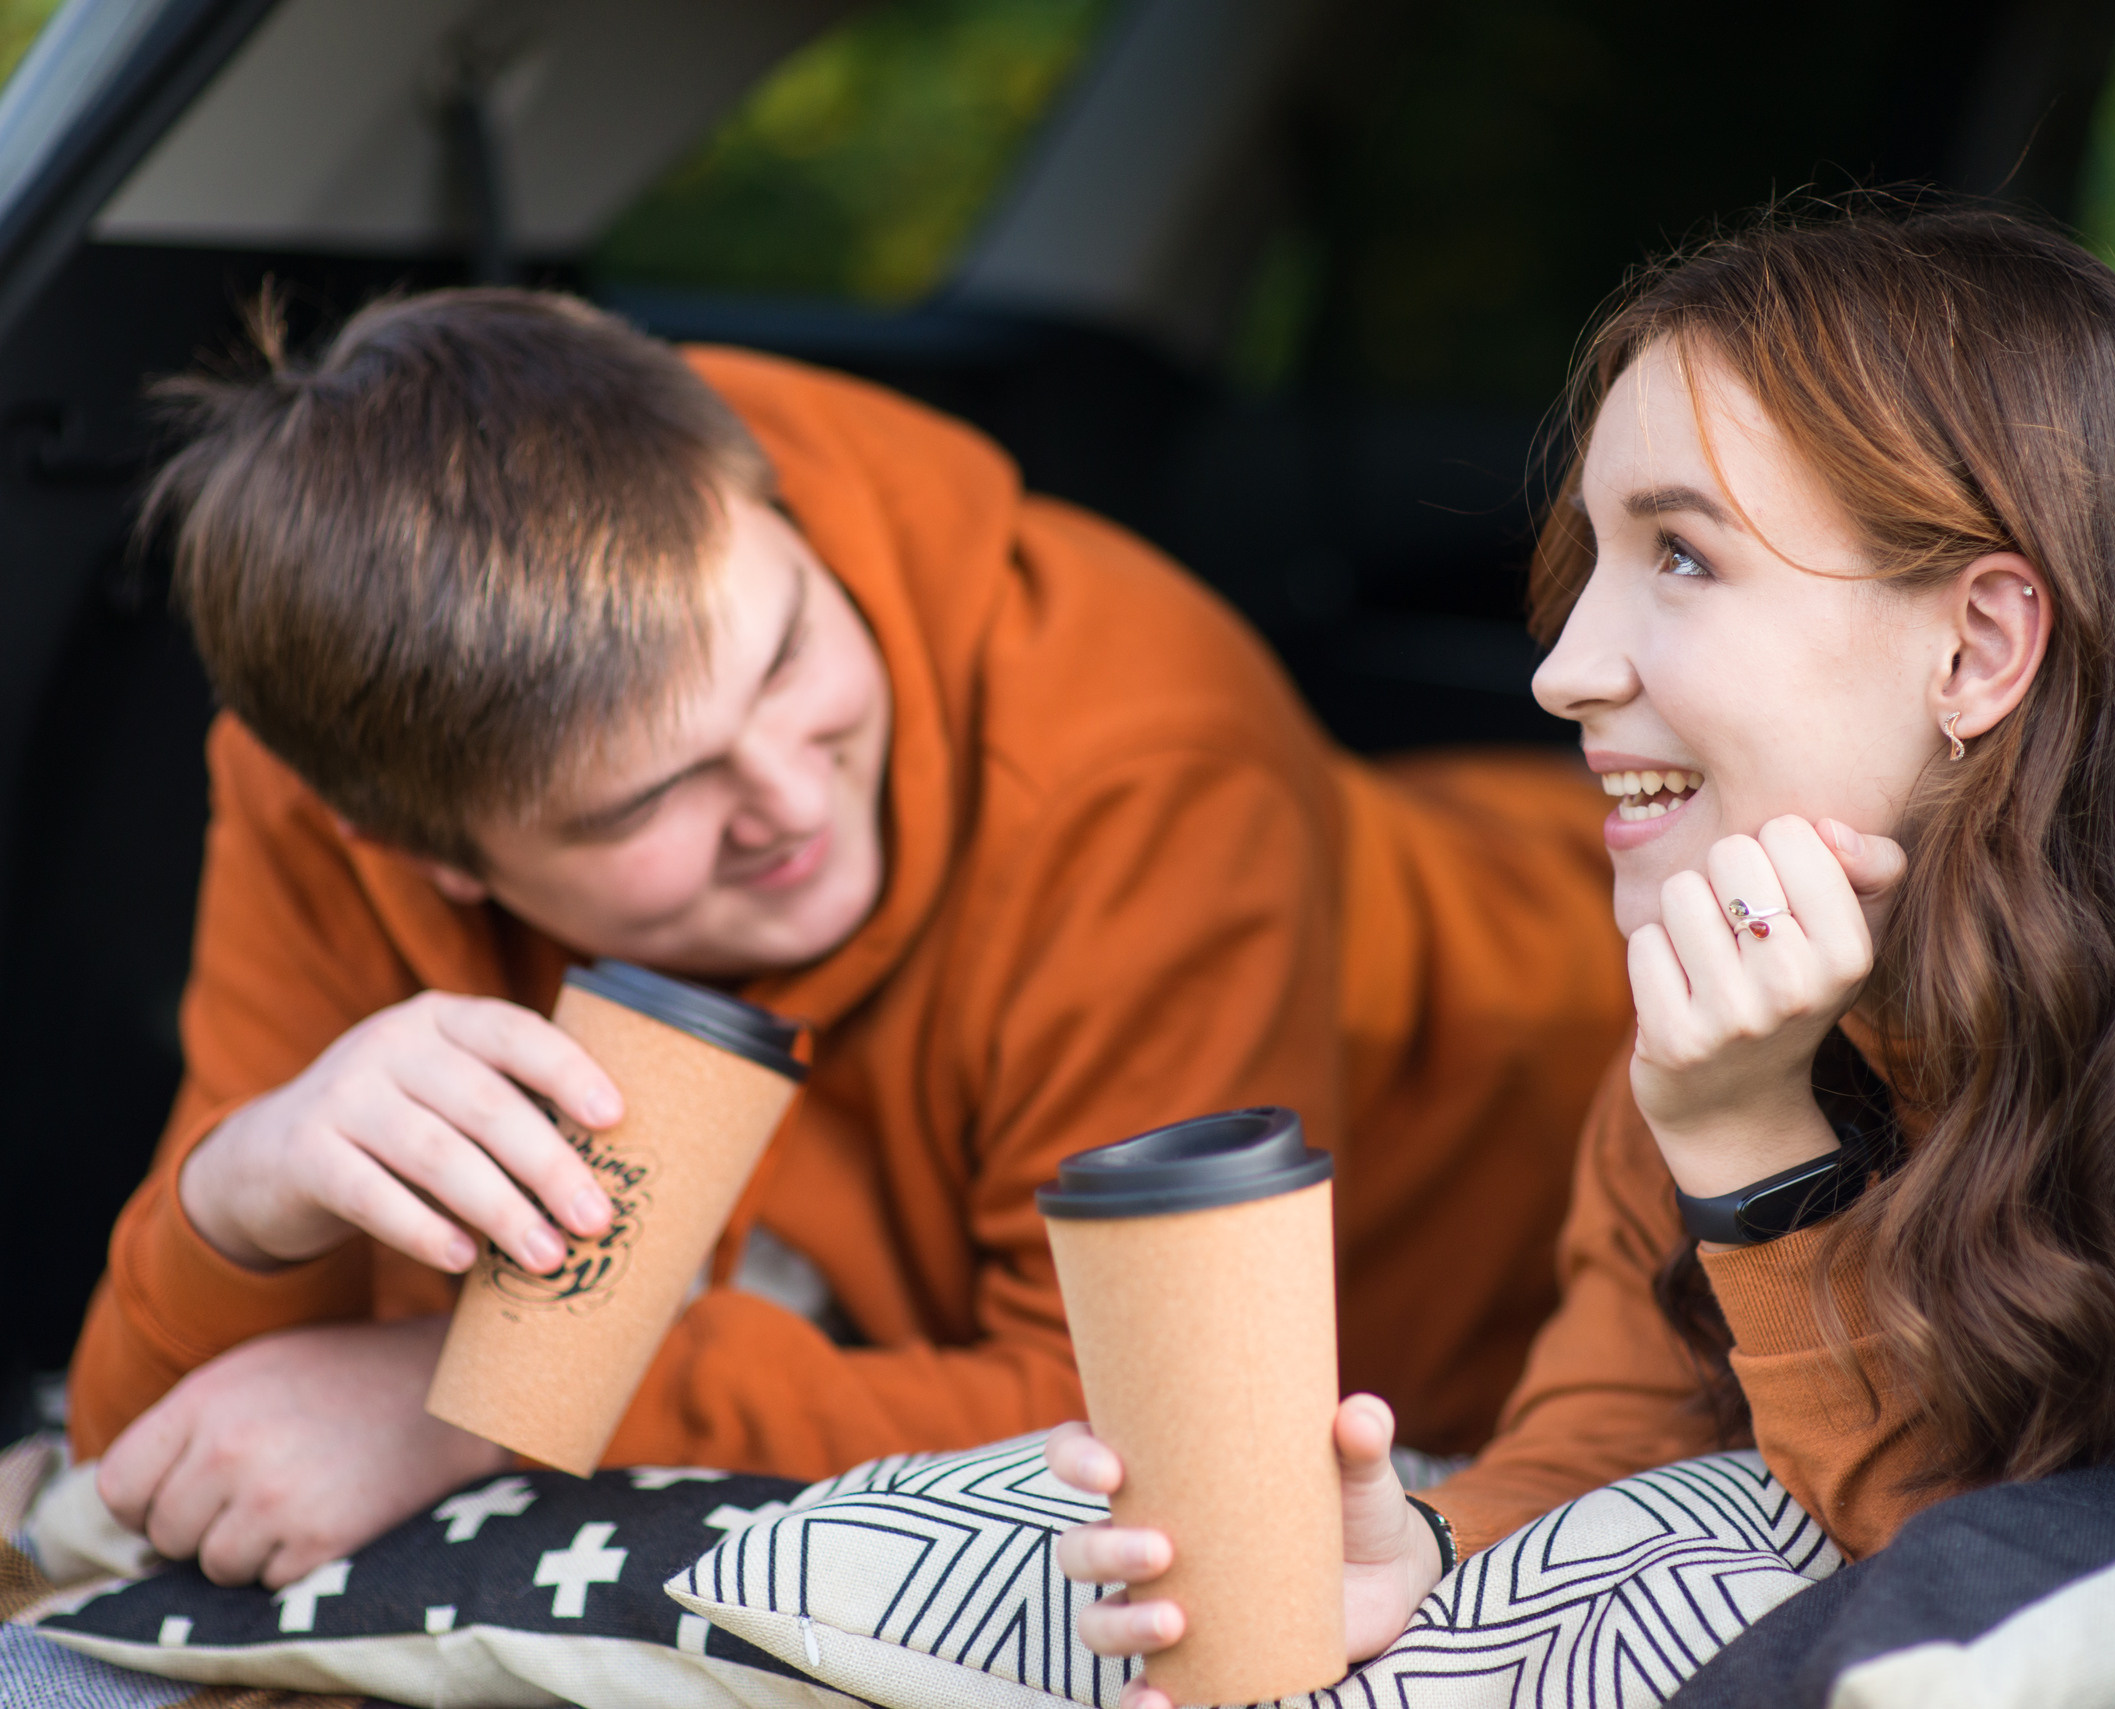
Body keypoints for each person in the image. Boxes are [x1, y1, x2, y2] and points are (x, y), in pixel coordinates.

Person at [1050, 203, 2115, 1689]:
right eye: (1593, 559)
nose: (1564, 668)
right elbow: (1612, 1426)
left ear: (1977, 646)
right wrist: (1424, 1540)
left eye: (1683, 557)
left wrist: (1755, 1159)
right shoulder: (1725, 945)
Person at [64, 290, 1634, 1592]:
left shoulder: (1145, 748)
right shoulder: (333, 767)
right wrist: (243, 1192)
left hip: (1566, 1045)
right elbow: (162, 1450)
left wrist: (486, 1401)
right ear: (429, 853)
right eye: (649, 798)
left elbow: (1147, 1424)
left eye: (788, 652)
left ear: (773, 510)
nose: (788, 798)